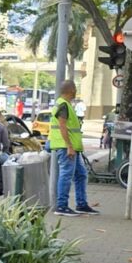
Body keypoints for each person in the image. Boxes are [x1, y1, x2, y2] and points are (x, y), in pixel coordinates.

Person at [50, 80, 98, 216]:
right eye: (75, 88)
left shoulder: (66, 104)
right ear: (71, 90)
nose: (76, 91)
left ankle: (81, 204)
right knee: (66, 175)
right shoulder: (63, 105)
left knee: (81, 175)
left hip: (72, 147)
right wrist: (69, 146)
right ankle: (62, 206)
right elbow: (62, 126)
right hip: (66, 147)